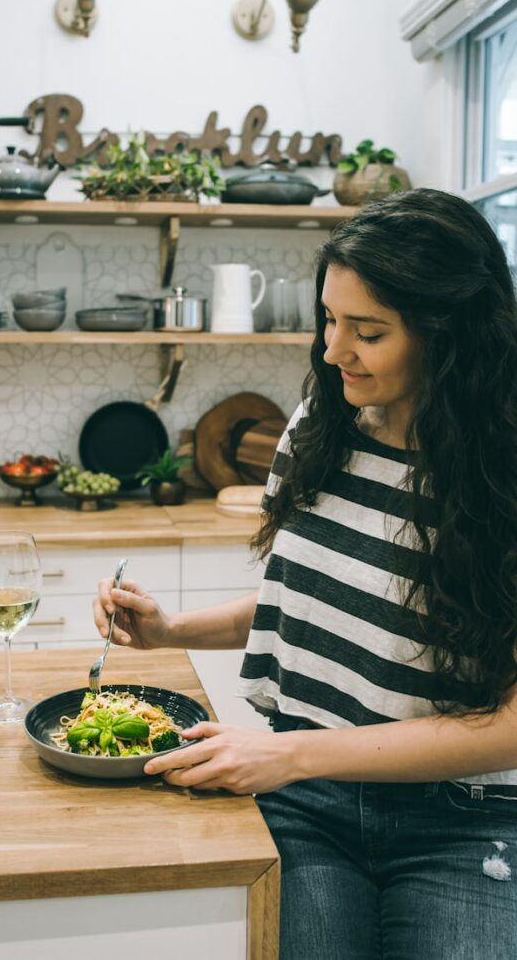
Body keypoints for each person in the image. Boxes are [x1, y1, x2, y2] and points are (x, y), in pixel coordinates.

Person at [93, 188, 517, 959]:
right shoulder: (320, 428)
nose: (332, 349)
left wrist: (288, 754)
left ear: (450, 334)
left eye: (368, 331)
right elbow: (319, 596)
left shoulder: (502, 477)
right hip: (308, 800)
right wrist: (170, 630)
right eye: (330, 319)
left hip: (463, 818)